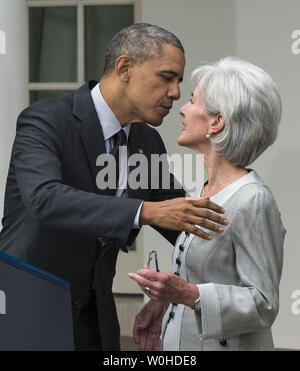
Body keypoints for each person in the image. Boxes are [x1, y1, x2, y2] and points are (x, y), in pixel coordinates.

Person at [0, 24, 228, 351]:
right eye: (167, 77)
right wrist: (145, 212)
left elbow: (182, 220)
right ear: (124, 68)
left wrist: (246, 222)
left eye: (178, 81)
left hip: (98, 325)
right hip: (25, 309)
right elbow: (45, 198)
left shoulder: (147, 141)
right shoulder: (45, 120)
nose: (176, 92)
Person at [129, 57, 285, 351]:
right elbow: (211, 275)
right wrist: (164, 303)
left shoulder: (254, 199)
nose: (183, 109)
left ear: (217, 121)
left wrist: (187, 294)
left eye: (192, 101)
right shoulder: (206, 191)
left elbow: (264, 303)